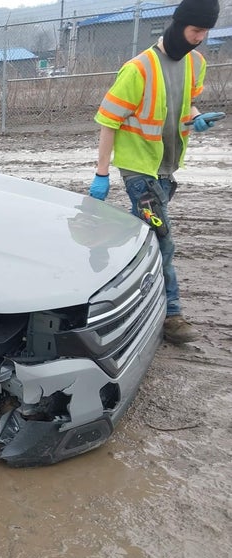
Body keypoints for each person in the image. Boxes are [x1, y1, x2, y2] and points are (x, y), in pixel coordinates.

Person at [89, 0, 223, 345]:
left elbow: (186, 102)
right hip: (138, 171)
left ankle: (111, 267)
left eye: (205, 32)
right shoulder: (139, 69)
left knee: (146, 232)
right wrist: (102, 174)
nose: (199, 38)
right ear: (179, 25)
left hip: (166, 166)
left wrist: (196, 117)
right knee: (163, 239)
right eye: (196, 30)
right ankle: (172, 315)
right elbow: (108, 122)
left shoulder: (196, 62)